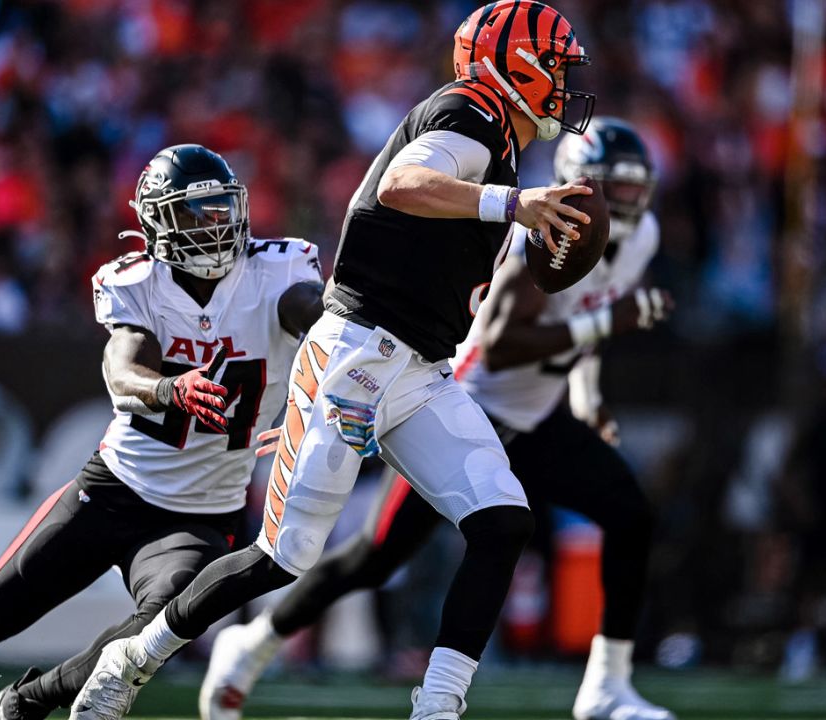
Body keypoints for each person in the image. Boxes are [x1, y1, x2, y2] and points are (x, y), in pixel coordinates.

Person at [67, 3, 600, 719]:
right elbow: (401, 187)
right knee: (283, 557)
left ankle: (437, 708)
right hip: (355, 355)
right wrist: (515, 204)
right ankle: (132, 658)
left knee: (503, 521)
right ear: (517, 64)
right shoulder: (469, 110)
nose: (565, 83)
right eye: (557, 66)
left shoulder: (496, 134)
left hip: (418, 369)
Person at [200, 118, 677, 720]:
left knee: (630, 515)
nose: (626, 204)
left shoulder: (641, 239)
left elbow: (588, 310)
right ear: (576, 184)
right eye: (614, 188)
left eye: (634, 191)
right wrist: (607, 326)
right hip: (468, 410)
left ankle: (607, 687)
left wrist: (585, 390)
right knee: (376, 558)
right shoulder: (538, 238)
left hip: (539, 417)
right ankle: (256, 640)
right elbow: (503, 344)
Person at [0, 144, 325, 720]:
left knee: (157, 629)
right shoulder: (138, 282)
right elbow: (123, 368)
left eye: (222, 210)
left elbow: (315, 315)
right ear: (157, 224)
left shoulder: (278, 273)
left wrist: (338, 345)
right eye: (195, 214)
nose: (214, 226)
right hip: (111, 493)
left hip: (200, 517)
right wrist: (169, 389)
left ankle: (30, 701)